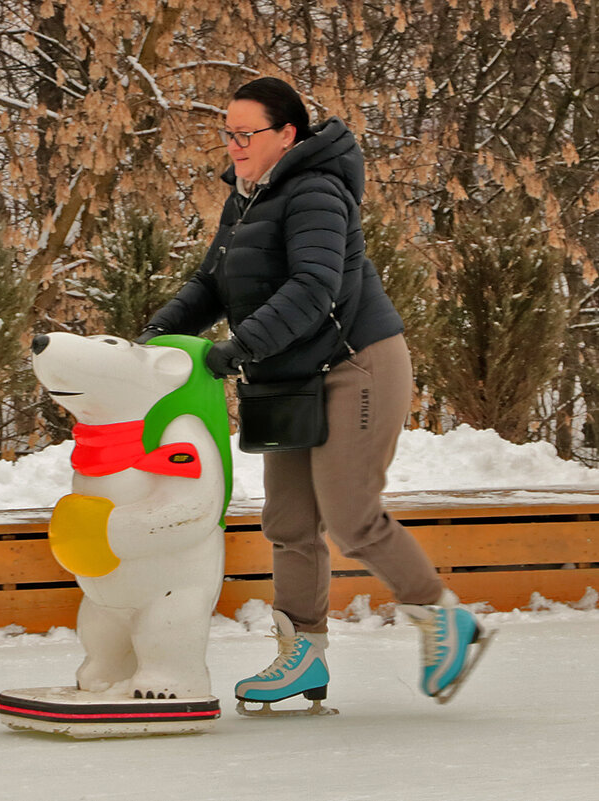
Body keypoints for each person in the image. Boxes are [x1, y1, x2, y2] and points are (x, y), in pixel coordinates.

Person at [136, 77, 485, 708]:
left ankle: (444, 618)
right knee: (289, 521)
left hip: (357, 365)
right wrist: (156, 335)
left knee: (350, 515)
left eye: (248, 134)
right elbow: (212, 282)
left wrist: (235, 351)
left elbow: (313, 288)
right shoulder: (244, 199)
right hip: (289, 372)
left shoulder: (318, 191)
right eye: (229, 134)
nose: (235, 145)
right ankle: (303, 653)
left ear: (287, 134)